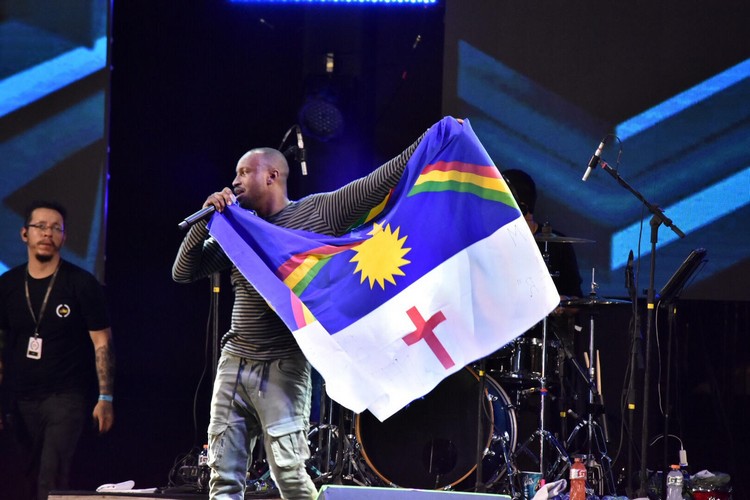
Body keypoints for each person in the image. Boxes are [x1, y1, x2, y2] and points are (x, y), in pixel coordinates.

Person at [172, 122, 436, 499]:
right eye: (235, 174)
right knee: (223, 476)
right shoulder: (240, 230)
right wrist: (204, 222)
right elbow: (183, 272)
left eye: (244, 172)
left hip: (285, 366)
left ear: (272, 176)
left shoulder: (317, 212)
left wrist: (430, 138)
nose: (235, 181)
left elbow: (377, 182)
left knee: (289, 474)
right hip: (235, 362)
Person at [0, 200, 115, 500]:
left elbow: (102, 342)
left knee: (50, 479)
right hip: (19, 398)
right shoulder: (8, 285)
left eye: (55, 228)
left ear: (64, 237)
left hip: (65, 398)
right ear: (25, 233)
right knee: (21, 480)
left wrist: (105, 397)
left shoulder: (81, 284)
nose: (47, 233)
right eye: (40, 226)